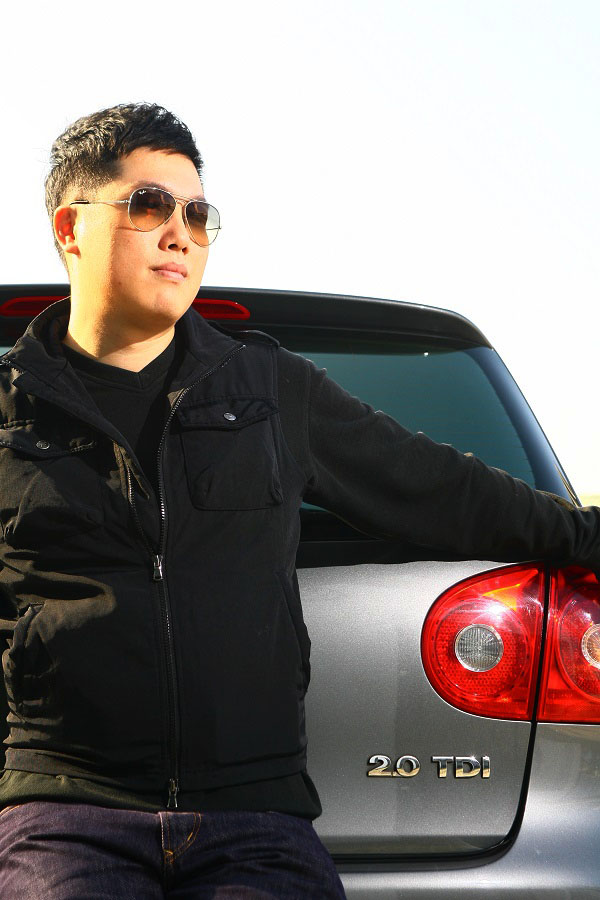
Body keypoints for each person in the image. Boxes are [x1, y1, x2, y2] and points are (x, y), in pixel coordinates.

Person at [0, 102, 599, 899]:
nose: (181, 233)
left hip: (255, 816)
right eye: (149, 205)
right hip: (67, 812)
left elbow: (440, 488)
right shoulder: (10, 410)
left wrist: (585, 536)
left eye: (198, 214)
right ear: (70, 227)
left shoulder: (272, 389)